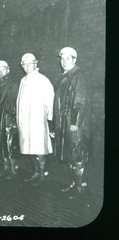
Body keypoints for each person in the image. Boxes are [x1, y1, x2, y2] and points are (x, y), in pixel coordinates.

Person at [52, 47, 91, 195]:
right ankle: (74, 182)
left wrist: (75, 122)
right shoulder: (65, 76)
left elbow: (80, 101)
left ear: (75, 60)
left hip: (75, 125)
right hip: (65, 122)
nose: (64, 62)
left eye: (68, 58)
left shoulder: (78, 76)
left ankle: (80, 187)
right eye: (62, 59)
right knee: (70, 154)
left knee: (77, 155)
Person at [17, 53, 54, 186]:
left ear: (35, 63)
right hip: (25, 121)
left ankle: (43, 174)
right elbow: (19, 102)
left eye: (29, 63)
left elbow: (50, 100)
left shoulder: (42, 79)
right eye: (24, 64)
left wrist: (50, 121)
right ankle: (36, 172)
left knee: (39, 148)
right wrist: (19, 119)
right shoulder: (23, 81)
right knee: (29, 149)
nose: (27, 66)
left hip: (38, 120)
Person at [0, 60, 20, 179]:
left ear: (8, 70)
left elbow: (16, 102)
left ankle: (13, 169)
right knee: (0, 145)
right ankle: (5, 166)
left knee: (10, 145)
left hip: (8, 119)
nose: (1, 72)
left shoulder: (12, 84)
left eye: (3, 69)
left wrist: (15, 120)